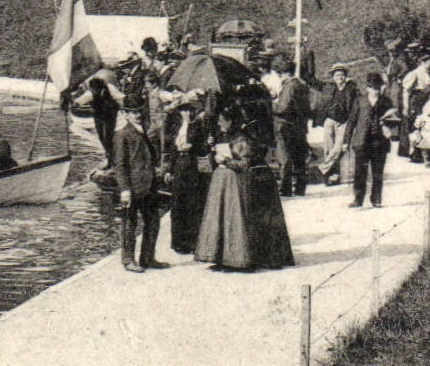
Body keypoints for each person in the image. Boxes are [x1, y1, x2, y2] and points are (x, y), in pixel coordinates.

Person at [196, 129, 294, 271]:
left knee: (254, 220)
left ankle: (254, 259)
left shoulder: (245, 135)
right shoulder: (233, 134)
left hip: (258, 178)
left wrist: (227, 160)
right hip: (249, 178)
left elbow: (247, 160)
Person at [111, 93, 163, 273]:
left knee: (153, 222)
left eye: (139, 111)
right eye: (133, 112)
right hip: (133, 187)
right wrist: (125, 189)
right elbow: (120, 165)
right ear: (125, 114)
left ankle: (147, 258)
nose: (137, 115)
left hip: (148, 185)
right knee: (129, 224)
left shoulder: (143, 131)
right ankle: (128, 260)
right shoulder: (122, 135)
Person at [164, 90, 212, 255]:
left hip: (192, 167)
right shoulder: (176, 126)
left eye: (190, 110)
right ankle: (178, 241)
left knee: (193, 204)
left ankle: (192, 241)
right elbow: (172, 150)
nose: (187, 113)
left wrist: (192, 144)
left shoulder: (199, 126)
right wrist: (169, 169)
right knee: (178, 204)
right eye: (184, 110)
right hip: (179, 165)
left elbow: (202, 148)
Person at [343, 74, 394, 209]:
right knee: (360, 172)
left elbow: (394, 120)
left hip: (379, 142)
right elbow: (351, 121)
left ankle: (376, 199)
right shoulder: (359, 101)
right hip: (362, 142)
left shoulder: (386, 101)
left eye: (377, 88)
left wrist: (387, 125)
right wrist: (345, 141)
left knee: (378, 172)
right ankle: (358, 199)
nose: (375, 91)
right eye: (372, 88)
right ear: (368, 88)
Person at [268, 54, 313, 196]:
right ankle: (300, 188)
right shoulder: (302, 85)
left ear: (285, 73)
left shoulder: (289, 86)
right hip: (299, 126)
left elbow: (283, 109)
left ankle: (286, 188)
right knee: (299, 157)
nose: (279, 77)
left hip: (285, 127)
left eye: (279, 74)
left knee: (284, 158)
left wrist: (268, 103)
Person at [321, 64, 357, 184]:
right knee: (328, 146)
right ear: (333, 77)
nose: (339, 77)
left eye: (342, 75)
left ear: (346, 76)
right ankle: (332, 176)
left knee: (339, 147)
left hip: (344, 121)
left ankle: (323, 168)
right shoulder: (330, 88)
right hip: (330, 120)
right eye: (337, 75)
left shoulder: (351, 88)